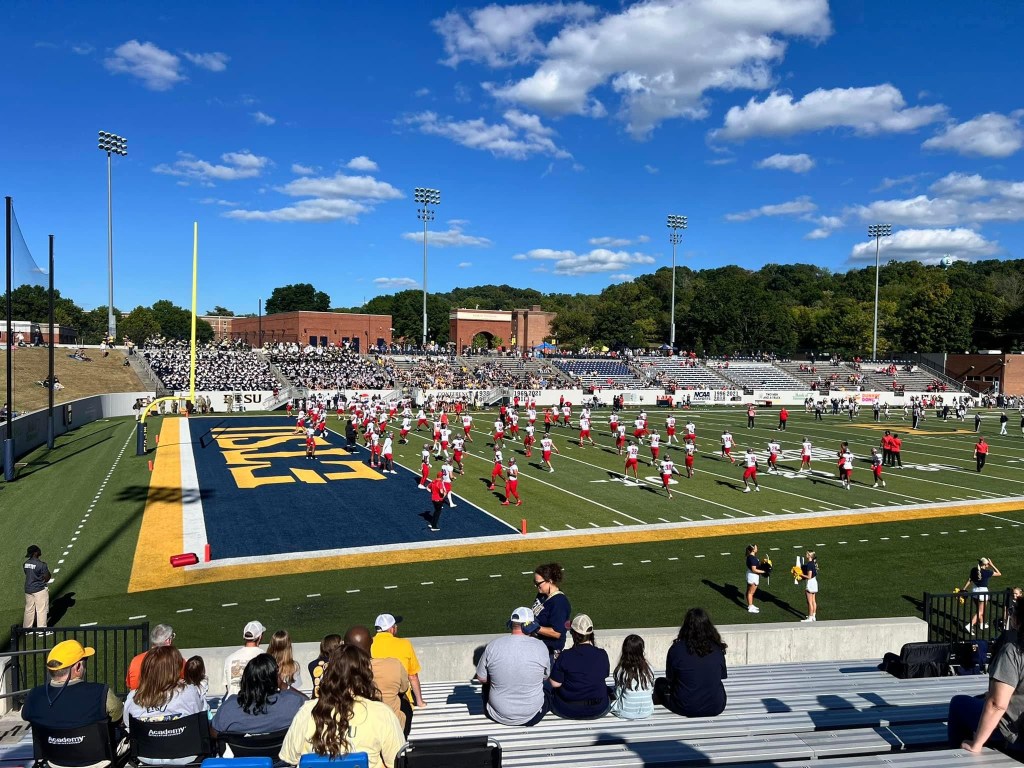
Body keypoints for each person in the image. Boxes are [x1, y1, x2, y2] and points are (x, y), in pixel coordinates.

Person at [279, 645, 403, 768]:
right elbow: (398, 762)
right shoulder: (381, 713)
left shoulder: (307, 712)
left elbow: (290, 757)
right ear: (365, 675)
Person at [949, 595, 1024, 753]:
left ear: (1018, 621)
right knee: (978, 699)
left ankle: (959, 753)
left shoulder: (1013, 652)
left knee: (958, 703)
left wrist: (976, 744)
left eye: (1013, 612)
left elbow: (997, 704)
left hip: (1014, 733)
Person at [21, 639, 124, 748]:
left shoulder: (34, 696)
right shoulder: (101, 693)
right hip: (96, 754)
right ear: (78, 667)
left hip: (51, 755)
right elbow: (117, 716)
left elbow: (26, 715)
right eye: (85, 660)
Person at [124, 647, 209, 764]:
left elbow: (128, 724)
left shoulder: (133, 697)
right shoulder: (190, 692)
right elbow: (201, 718)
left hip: (146, 755)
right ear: (175, 668)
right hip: (185, 754)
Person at [474, 606, 550, 727]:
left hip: (497, 714)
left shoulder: (493, 645)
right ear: (528, 626)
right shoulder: (541, 647)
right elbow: (545, 677)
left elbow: (481, 678)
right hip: (532, 716)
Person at [653, 607, 728, 717]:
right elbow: (721, 676)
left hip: (685, 707)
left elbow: (670, 678)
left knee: (660, 683)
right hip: (715, 706)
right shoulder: (717, 649)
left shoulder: (676, 649)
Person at [213, 654, 305, 736]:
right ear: (275, 678)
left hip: (241, 750)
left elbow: (213, 734)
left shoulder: (229, 708)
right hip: (279, 750)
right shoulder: (292, 702)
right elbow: (309, 705)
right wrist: (283, 685)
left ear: (246, 679)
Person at [345, 625, 411, 737]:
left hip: (352, 728)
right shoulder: (393, 664)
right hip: (391, 727)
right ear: (371, 642)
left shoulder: (339, 670)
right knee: (405, 702)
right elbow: (404, 688)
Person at [549, 614, 611, 720]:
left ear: (574, 634)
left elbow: (555, 683)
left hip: (568, 709)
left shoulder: (565, 656)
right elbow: (604, 674)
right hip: (598, 708)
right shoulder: (602, 654)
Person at [371, 613, 427, 710]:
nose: (396, 626)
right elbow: (412, 676)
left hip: (375, 701)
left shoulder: (369, 643)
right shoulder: (405, 644)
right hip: (400, 702)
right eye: (395, 625)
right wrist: (420, 702)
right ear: (391, 629)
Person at [527, 563, 571, 661]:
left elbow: (557, 632)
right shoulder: (542, 595)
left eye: (538, 583)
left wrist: (536, 628)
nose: (536, 585)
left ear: (550, 581)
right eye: (535, 582)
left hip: (549, 652)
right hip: (537, 647)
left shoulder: (559, 603)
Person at [610, 634, 655, 720]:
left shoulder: (621, 671)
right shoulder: (649, 669)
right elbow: (651, 690)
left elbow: (618, 694)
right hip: (647, 711)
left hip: (625, 712)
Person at [224, 620, 266, 697]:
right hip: (255, 701)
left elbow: (228, 686)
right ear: (260, 637)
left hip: (232, 701)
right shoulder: (265, 658)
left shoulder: (229, 658)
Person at [127, 624, 176, 691]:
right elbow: (187, 679)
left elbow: (129, 685)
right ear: (168, 641)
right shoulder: (175, 660)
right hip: (163, 696)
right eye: (172, 636)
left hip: (137, 696)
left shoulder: (135, 660)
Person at [965, 557, 1002, 634]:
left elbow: (969, 580)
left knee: (979, 610)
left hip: (974, 591)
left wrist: (964, 589)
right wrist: (992, 565)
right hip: (983, 593)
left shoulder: (974, 570)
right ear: (986, 564)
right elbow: (999, 573)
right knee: (981, 611)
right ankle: (970, 625)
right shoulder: (987, 572)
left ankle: (981, 624)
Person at [23, 545, 51, 632]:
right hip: (39, 590)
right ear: (35, 553)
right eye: (38, 550)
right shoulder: (42, 565)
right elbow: (47, 577)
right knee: (41, 610)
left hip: (28, 589)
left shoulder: (25, 564)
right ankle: (41, 630)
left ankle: (26, 629)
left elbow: (27, 573)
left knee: (29, 610)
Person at [308, 634, 342, 699]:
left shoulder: (312, 665)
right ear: (335, 646)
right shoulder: (341, 663)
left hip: (317, 699)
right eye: (341, 644)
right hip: (335, 699)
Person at [797, 551, 819, 622]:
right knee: (813, 600)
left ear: (809, 556)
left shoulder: (809, 564)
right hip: (814, 582)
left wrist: (800, 574)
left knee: (809, 602)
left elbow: (809, 576)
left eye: (807, 554)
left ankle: (810, 617)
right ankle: (813, 616)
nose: (805, 555)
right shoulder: (813, 563)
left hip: (810, 583)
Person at [745, 544, 765, 614]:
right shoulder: (752, 558)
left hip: (750, 575)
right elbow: (754, 570)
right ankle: (750, 607)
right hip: (753, 576)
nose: (757, 549)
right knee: (751, 592)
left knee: (749, 591)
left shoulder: (750, 557)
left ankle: (750, 604)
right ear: (753, 550)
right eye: (756, 548)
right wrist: (764, 571)